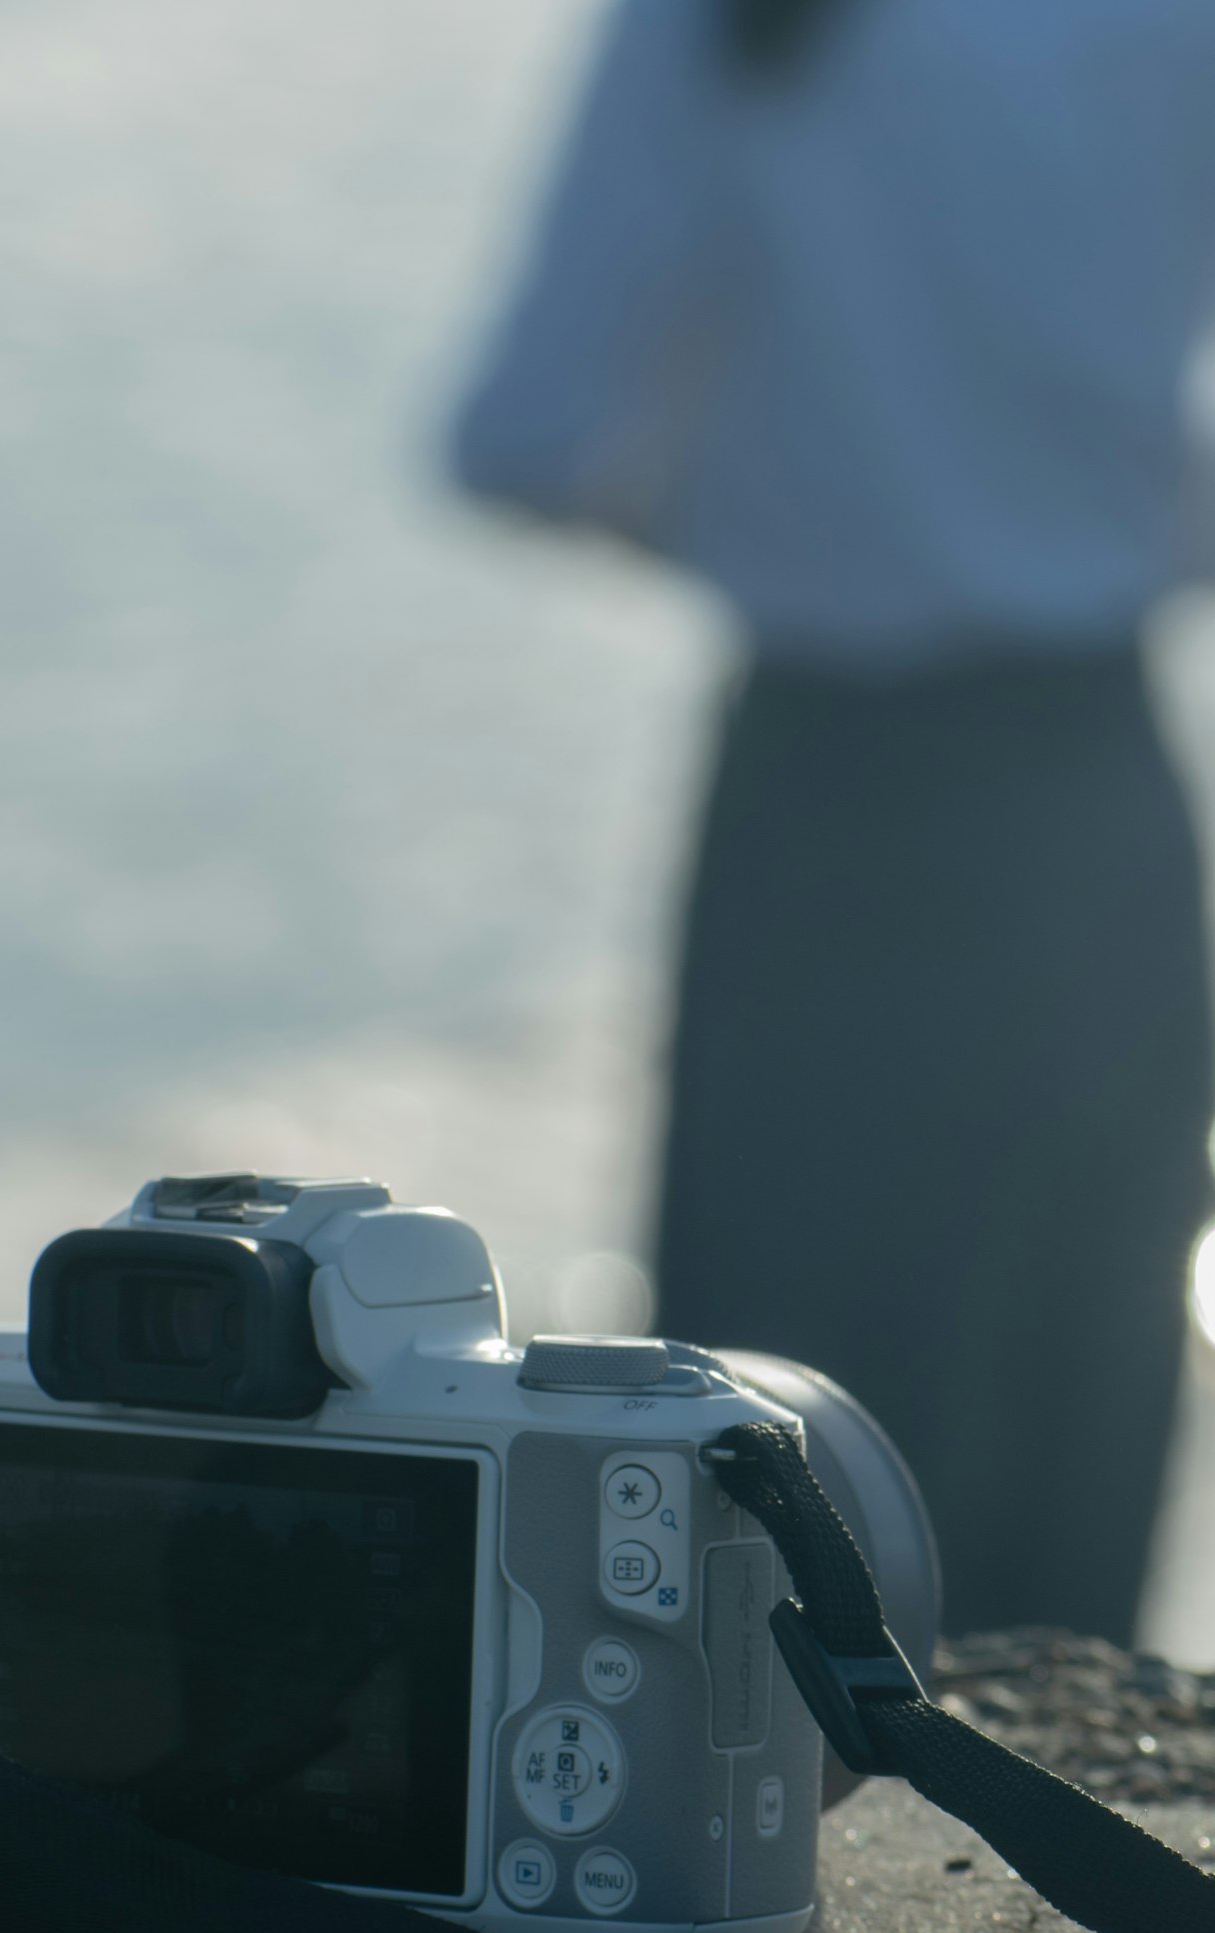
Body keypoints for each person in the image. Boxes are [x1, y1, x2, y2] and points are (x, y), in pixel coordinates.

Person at [449, 0, 1215, 1642]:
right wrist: (1103, 506)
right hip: (1090, 793)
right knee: (1069, 1483)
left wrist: (772, 508)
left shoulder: (739, 21)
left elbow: (522, 434)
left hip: (827, 803)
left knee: (765, 1489)